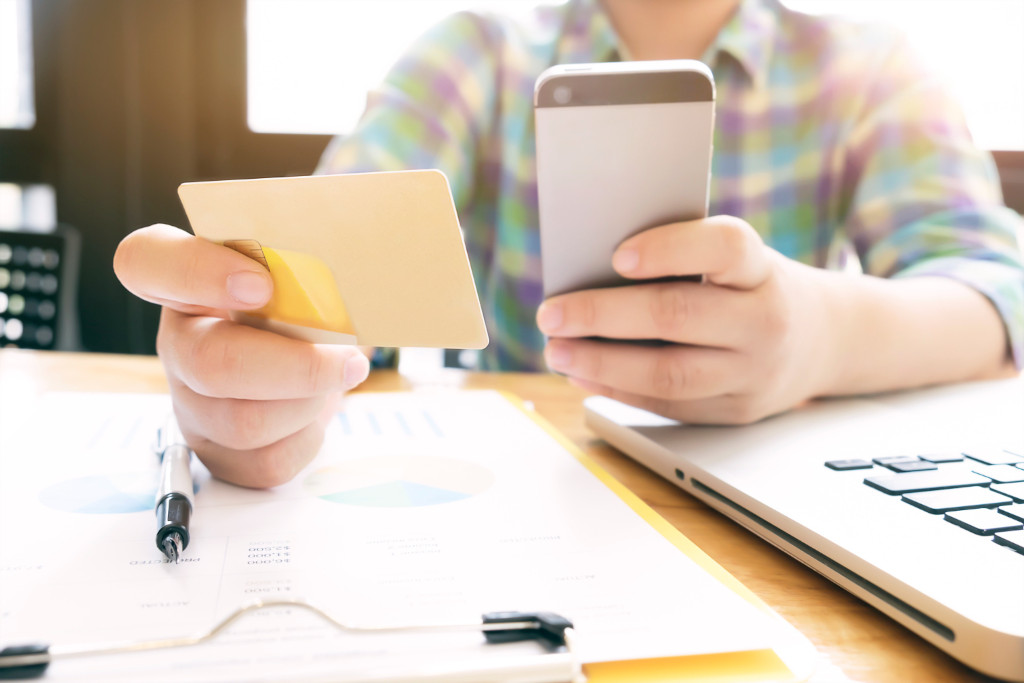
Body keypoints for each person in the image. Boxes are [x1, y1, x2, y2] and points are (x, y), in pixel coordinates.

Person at [114, 0, 1024, 489]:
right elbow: (328, 260)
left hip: (778, 510)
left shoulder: (870, 67)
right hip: (544, 491)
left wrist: (820, 334)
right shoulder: (478, 51)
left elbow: (999, 293)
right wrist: (256, 360)